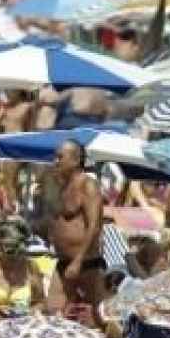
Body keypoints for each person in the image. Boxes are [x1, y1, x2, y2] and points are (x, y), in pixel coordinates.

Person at [48, 139, 107, 325]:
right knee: (52, 311)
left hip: (86, 263)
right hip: (64, 262)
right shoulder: (63, 187)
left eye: (60, 157)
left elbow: (94, 226)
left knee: (100, 317)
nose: (55, 161)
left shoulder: (88, 185)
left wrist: (78, 260)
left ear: (75, 160)